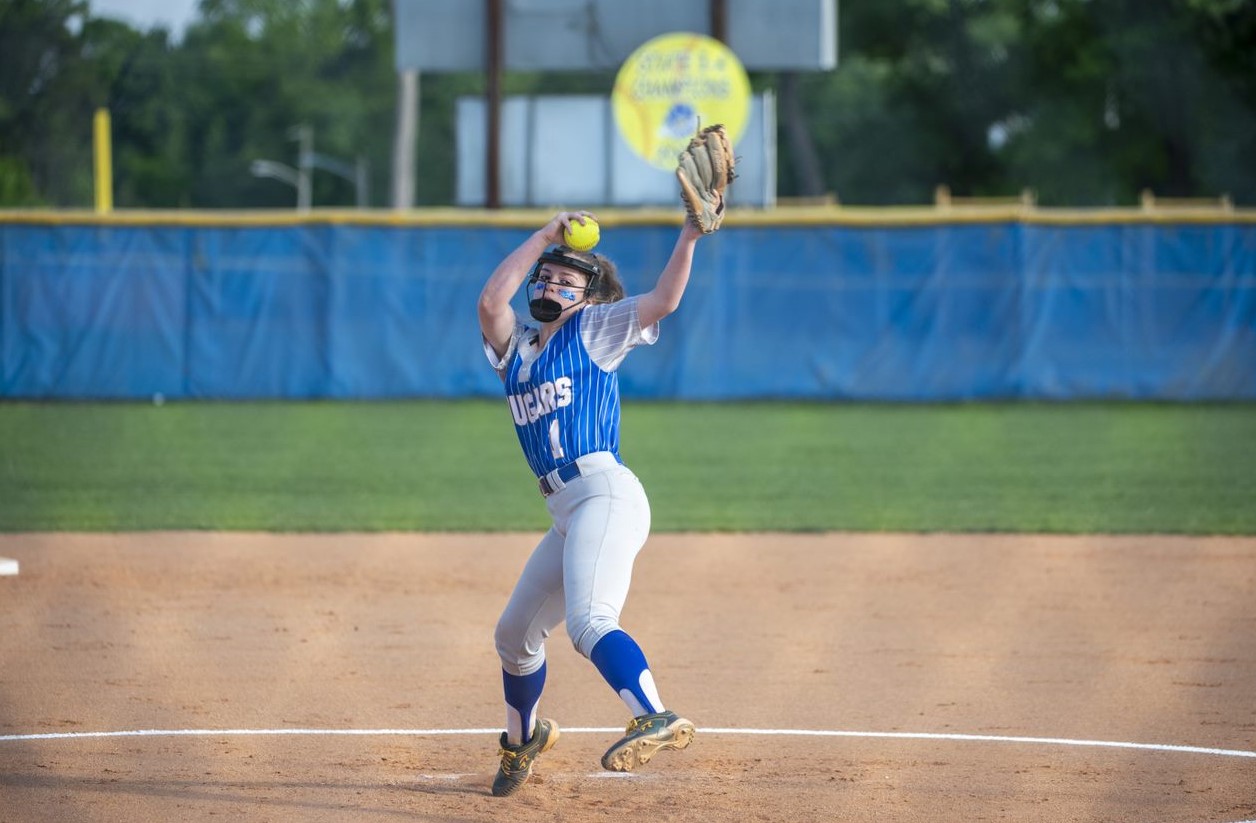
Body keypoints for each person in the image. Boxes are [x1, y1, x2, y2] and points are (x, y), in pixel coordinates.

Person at [477, 207, 715, 796]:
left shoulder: (596, 329)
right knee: (514, 638)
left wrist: (689, 234)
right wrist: (543, 238)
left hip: (605, 493)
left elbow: (663, 300)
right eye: (546, 276)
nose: (550, 284)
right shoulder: (518, 349)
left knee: (589, 621)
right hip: (565, 511)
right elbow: (489, 305)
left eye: (566, 280)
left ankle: (653, 714)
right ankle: (521, 740)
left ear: (589, 297)